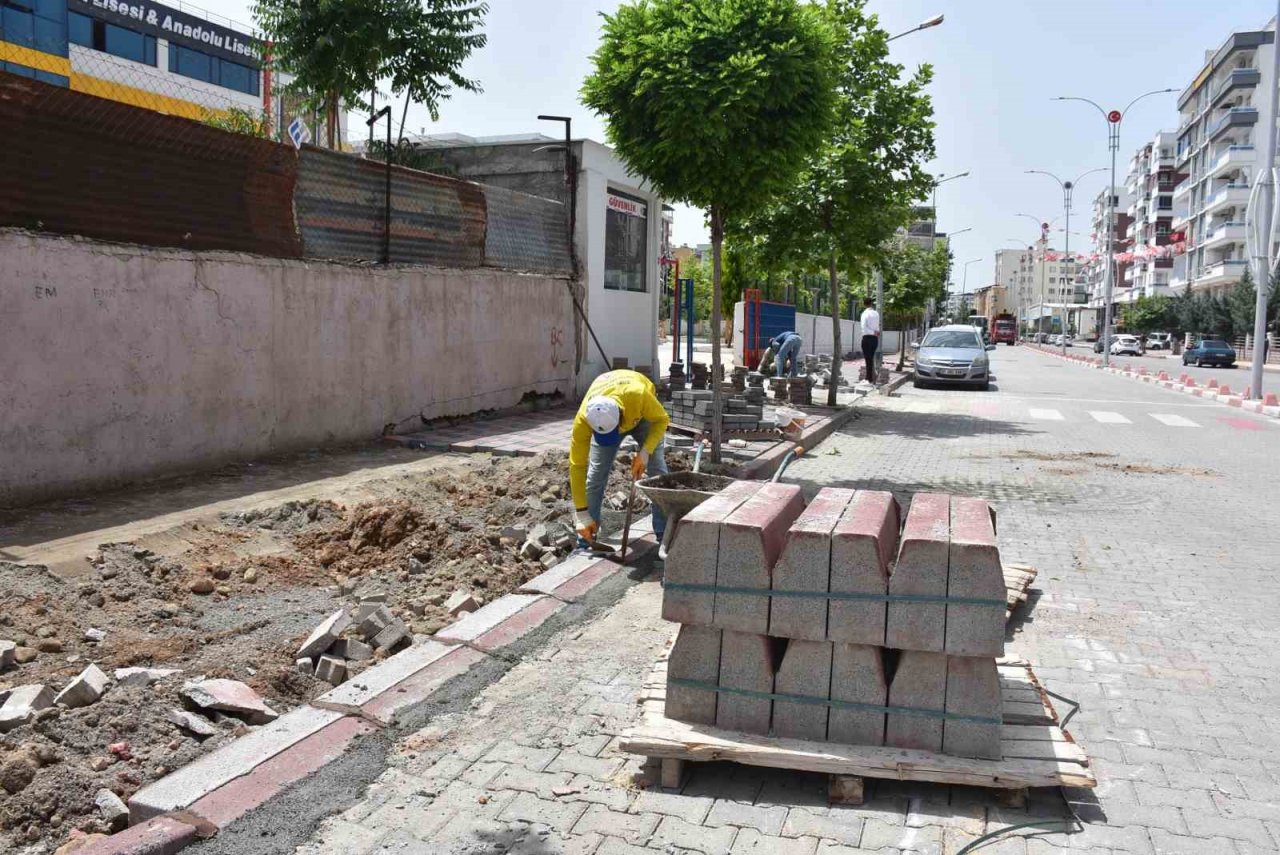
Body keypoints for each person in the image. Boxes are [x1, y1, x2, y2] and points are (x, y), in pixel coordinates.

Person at [569, 369, 670, 548]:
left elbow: (662, 420)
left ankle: (664, 535)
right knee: (595, 476)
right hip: (610, 410)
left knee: (658, 472)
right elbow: (577, 466)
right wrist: (581, 514)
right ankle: (585, 541)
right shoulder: (584, 419)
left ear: (621, 415)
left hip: (644, 418)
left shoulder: (638, 395)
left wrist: (645, 452)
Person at [859, 296, 881, 385]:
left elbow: (864, 328)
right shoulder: (876, 313)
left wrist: (872, 332)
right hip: (875, 339)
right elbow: (877, 327)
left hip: (867, 338)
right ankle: (870, 378)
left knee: (868, 359)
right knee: (870, 359)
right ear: (871, 303)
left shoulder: (864, 314)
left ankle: (868, 379)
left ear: (864, 304)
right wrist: (876, 333)